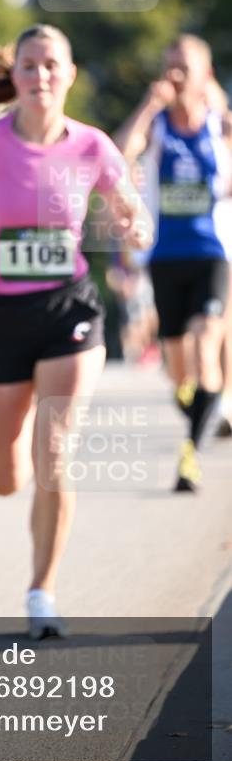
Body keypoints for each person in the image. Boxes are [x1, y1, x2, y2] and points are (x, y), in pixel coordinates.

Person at [0, 25, 152, 639]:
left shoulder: (93, 146)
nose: (41, 75)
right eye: (29, 65)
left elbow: (136, 214)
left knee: (55, 456)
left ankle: (42, 592)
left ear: (69, 74)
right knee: (5, 479)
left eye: (52, 64)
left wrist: (135, 227)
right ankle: (18, 445)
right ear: (15, 74)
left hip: (65, 310)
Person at [117, 36, 232, 491]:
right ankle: (199, 405)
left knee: (207, 346)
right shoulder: (159, 126)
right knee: (179, 370)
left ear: (206, 75)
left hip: (213, 255)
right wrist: (149, 105)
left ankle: (190, 456)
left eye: (184, 67)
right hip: (164, 257)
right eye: (169, 67)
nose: (175, 76)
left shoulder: (220, 127)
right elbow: (119, 154)